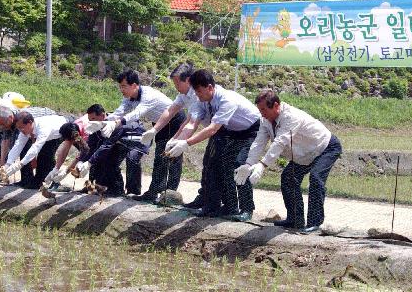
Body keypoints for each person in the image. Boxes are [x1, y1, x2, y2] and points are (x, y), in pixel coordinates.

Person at [236, 90, 342, 234]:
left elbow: (280, 142)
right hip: (304, 154)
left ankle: (314, 223)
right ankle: (295, 220)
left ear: (276, 105)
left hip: (325, 147)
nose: (261, 113)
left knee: (316, 178)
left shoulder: (291, 116)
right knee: (288, 178)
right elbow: (259, 142)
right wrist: (248, 164)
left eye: (264, 109)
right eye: (259, 110)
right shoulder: (265, 120)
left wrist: (262, 165)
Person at [165, 69, 261, 222]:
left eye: (200, 92)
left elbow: (212, 129)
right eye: (195, 92)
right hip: (230, 130)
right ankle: (222, 206)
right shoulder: (201, 99)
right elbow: (192, 123)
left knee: (239, 165)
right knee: (216, 164)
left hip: (251, 130)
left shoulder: (227, 99)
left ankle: (247, 208)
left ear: (210, 87)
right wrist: (176, 141)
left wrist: (186, 144)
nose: (198, 96)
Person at [88, 70, 175, 200]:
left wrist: (116, 123)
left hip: (174, 119)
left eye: (124, 86)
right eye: (120, 86)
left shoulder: (148, 95)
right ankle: (154, 193)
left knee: (171, 157)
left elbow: (136, 114)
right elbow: (120, 111)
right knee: (161, 158)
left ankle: (171, 194)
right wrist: (103, 123)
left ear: (134, 85)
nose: (121, 89)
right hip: (159, 123)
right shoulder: (129, 98)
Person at [143, 62, 207, 208]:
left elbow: (191, 123)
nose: (175, 86)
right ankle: (158, 191)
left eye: (178, 82)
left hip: (213, 128)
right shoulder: (183, 95)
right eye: (174, 82)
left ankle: (172, 194)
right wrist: (155, 130)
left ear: (189, 80)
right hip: (185, 124)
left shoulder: (198, 95)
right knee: (162, 157)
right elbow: (170, 110)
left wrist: (181, 141)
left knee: (175, 160)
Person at [0, 111, 69, 190]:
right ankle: (39, 182)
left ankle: (55, 183)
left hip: (61, 131)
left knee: (46, 155)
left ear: (30, 122)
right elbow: (17, 146)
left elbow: (35, 148)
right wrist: (8, 164)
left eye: (22, 128)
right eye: (18, 128)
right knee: (39, 155)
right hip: (48, 136)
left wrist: (20, 164)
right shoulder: (25, 129)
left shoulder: (43, 128)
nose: (21, 130)